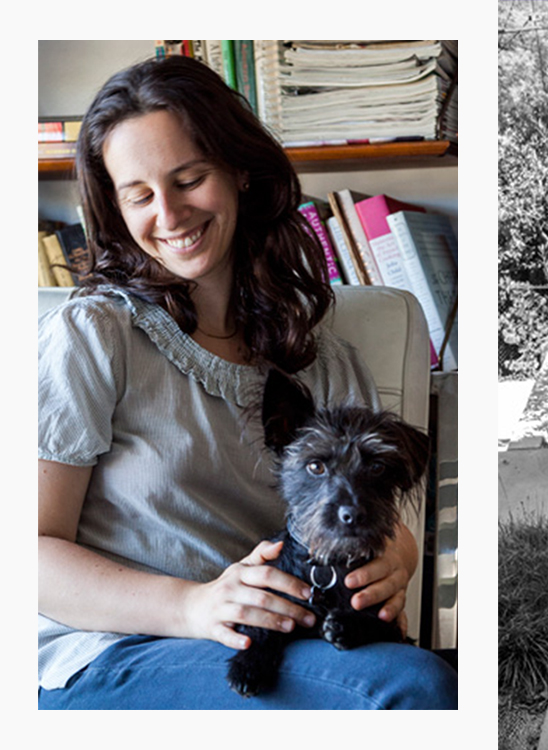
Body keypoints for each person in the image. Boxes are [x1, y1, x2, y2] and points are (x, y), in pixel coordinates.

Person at [37, 55, 457, 709]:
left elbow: (384, 513)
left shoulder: (326, 362)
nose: (169, 214)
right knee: (413, 689)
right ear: (116, 210)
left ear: (239, 172)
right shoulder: (94, 335)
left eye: (189, 178)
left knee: (415, 681)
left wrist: (394, 563)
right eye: (140, 194)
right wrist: (192, 607)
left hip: (286, 645)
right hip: (112, 651)